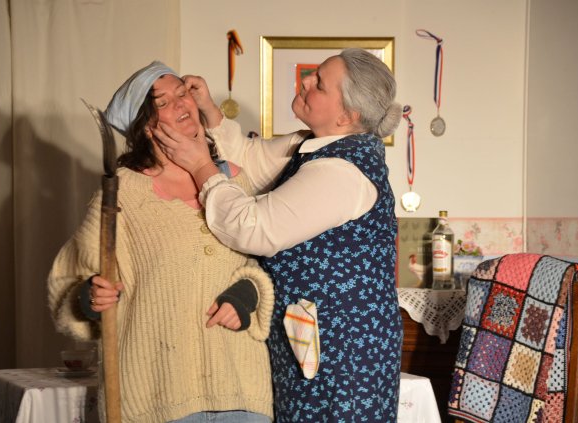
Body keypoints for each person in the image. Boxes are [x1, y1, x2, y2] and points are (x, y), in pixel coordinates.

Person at [154, 48, 404, 422]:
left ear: (346, 116)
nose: (306, 80)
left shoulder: (341, 174)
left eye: (319, 83)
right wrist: (208, 110)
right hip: (315, 341)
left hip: (344, 355)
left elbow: (253, 229)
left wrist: (202, 167)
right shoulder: (312, 145)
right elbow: (250, 159)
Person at [47, 61, 274, 423]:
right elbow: (68, 280)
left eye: (183, 94)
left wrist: (247, 295)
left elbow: (262, 265)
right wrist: (89, 296)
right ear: (145, 127)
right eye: (163, 103)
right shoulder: (122, 192)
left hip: (241, 389)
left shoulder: (232, 180)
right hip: (155, 396)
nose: (181, 104)